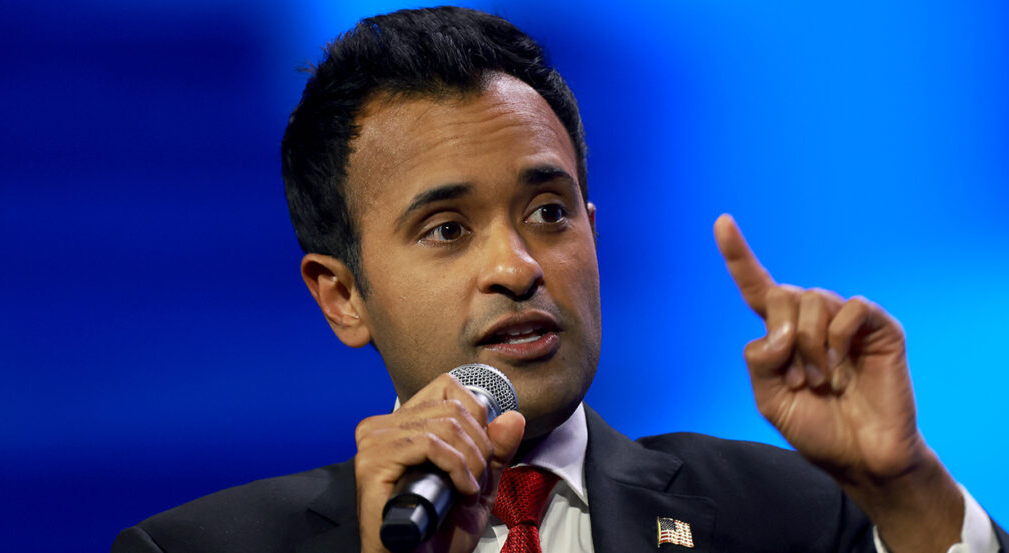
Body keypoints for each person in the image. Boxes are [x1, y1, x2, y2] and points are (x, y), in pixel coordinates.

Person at [113, 6, 1006, 553]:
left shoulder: (792, 517)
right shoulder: (190, 547)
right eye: (448, 229)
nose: (518, 266)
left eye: (550, 212)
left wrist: (907, 490)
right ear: (342, 294)